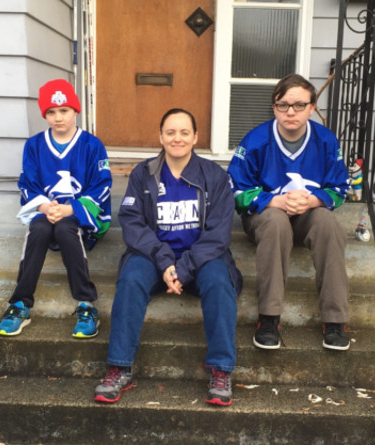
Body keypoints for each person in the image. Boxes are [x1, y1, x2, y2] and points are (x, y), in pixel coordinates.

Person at [94, 108, 242, 406]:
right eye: (171, 132)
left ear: (196, 137)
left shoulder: (214, 176)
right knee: (132, 278)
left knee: (218, 282)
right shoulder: (143, 173)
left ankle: (221, 369)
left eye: (185, 132)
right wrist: (164, 262)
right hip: (153, 256)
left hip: (201, 257)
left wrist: (184, 268)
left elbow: (218, 233)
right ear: (160, 136)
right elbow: (132, 223)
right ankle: (119, 367)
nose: (178, 138)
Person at [227, 74, 351, 351]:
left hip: (308, 215)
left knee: (328, 223)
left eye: (298, 104)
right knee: (275, 222)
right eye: (283, 105)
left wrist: (312, 201)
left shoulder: (326, 140)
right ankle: (269, 318)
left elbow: (340, 188)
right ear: (274, 108)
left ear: (311, 107)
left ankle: (335, 319)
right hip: (267, 216)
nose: (290, 112)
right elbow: (234, 189)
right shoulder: (256, 139)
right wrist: (276, 201)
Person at [0, 79, 112, 339]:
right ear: (45, 115)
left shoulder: (92, 145)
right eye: (51, 112)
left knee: (64, 228)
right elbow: (28, 185)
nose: (58, 118)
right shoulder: (35, 145)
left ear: (75, 111)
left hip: (77, 217)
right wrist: (45, 206)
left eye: (64, 110)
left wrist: (71, 210)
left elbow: (102, 186)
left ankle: (86, 304)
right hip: (47, 212)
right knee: (38, 227)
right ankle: (20, 304)